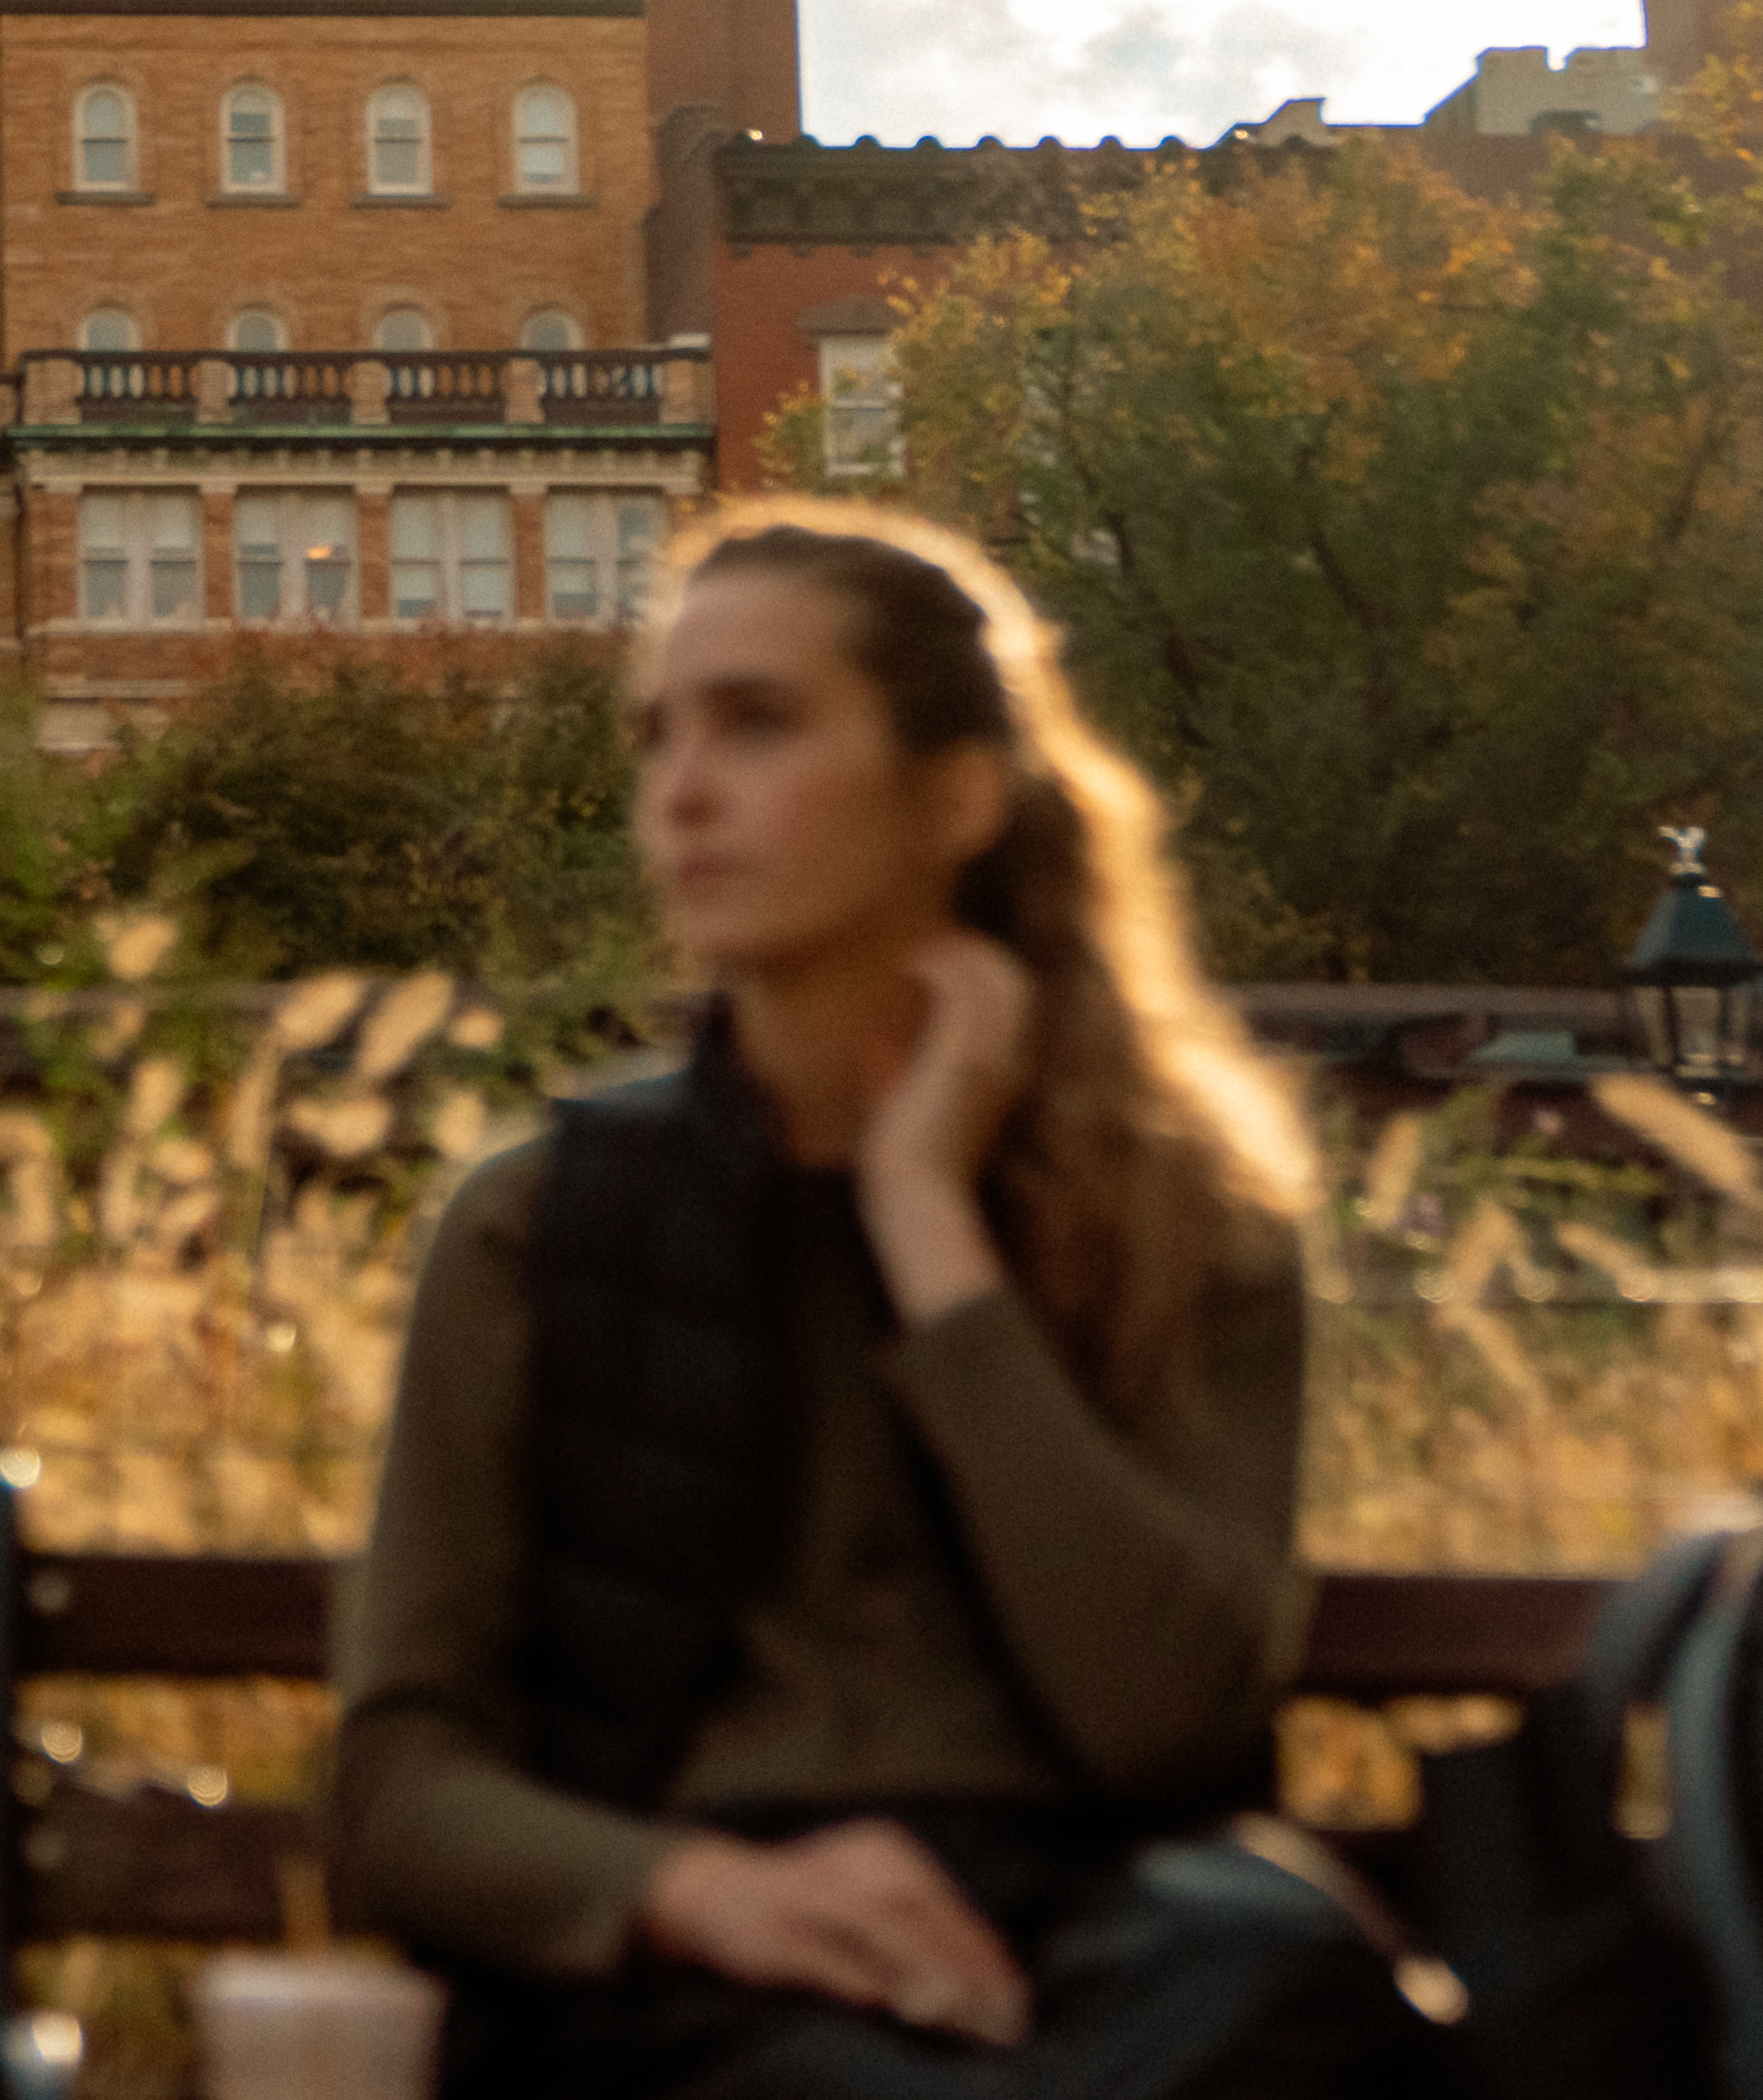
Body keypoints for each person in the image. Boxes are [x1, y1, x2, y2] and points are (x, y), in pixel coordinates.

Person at [330, 499, 1409, 2100]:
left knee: (1290, 1976)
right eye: (659, 735)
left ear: (959, 793)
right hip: (695, 1977)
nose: (682, 793)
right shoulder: (538, 1224)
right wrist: (697, 1897)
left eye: (758, 723)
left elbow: (1169, 1723)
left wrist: (929, 1230)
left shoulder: (1193, 1221)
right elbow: (397, 1790)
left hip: (1100, 1952)